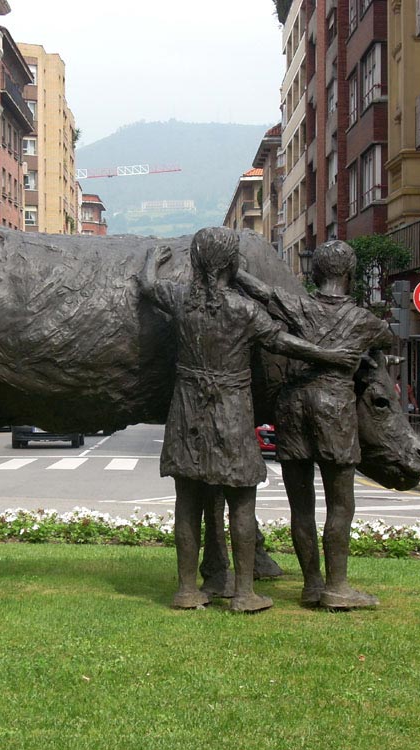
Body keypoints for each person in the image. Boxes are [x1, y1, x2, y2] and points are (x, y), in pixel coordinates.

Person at [140, 227, 358, 613]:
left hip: (187, 410)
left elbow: (148, 285)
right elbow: (282, 342)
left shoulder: (181, 299)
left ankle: (187, 590)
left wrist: (152, 261)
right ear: (231, 263)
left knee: (187, 500)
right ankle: (244, 593)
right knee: (241, 501)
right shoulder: (244, 310)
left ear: (196, 262)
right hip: (231, 411)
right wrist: (329, 356)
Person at [235, 239, 393, 609]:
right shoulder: (366, 322)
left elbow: (260, 290)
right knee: (340, 504)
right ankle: (337, 587)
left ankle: (312, 584)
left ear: (314, 273)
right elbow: (388, 339)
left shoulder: (298, 305)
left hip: (292, 406)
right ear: (350, 274)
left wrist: (232, 268)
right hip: (334, 408)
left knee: (301, 506)